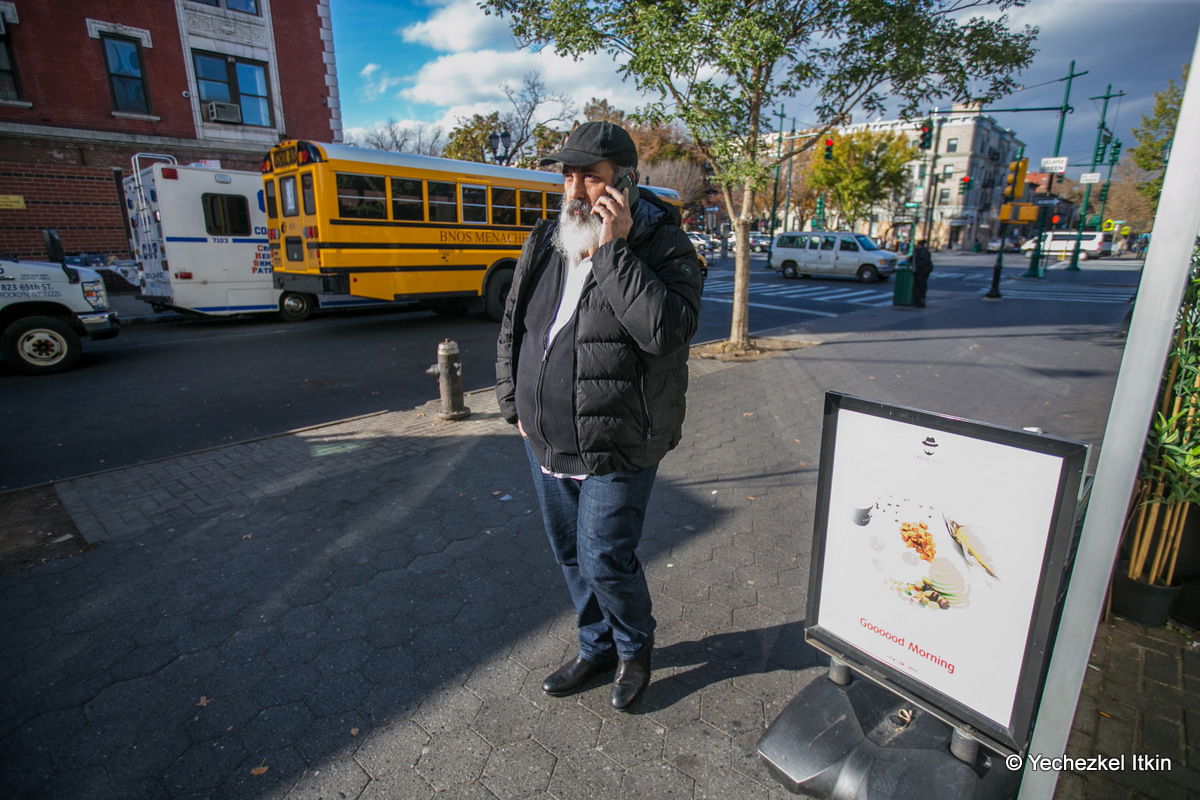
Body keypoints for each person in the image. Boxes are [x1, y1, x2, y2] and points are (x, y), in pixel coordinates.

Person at [495, 121, 703, 711]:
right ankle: (596, 646)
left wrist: (614, 250)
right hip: (546, 436)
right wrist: (513, 403)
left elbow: (665, 332)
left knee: (604, 558)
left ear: (626, 184)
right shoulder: (546, 237)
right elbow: (516, 325)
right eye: (569, 175)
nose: (577, 189)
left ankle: (635, 648)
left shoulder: (662, 242)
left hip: (619, 438)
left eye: (592, 176)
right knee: (569, 555)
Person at [912, 239, 933, 307]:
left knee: (920, 286)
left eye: (917, 244)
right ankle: (918, 300)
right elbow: (914, 258)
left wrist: (919, 271)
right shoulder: (918, 251)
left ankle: (920, 301)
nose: (916, 245)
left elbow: (923, 262)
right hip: (920, 271)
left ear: (920, 245)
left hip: (922, 272)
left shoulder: (924, 252)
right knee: (918, 286)